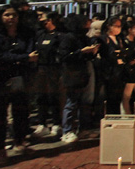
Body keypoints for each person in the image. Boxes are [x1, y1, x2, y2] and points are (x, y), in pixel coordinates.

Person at [0, 5, 38, 163]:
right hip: (0, 78)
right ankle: (0, 148)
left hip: (20, 77)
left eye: (13, 15)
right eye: (7, 15)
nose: (10, 18)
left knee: (21, 111)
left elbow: (32, 53)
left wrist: (21, 58)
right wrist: (23, 58)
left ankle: (20, 142)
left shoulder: (25, 35)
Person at [59, 14, 99, 143]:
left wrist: (92, 50)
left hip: (84, 72)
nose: (88, 25)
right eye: (86, 22)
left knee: (85, 102)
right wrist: (82, 52)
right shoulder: (68, 38)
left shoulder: (84, 37)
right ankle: (67, 131)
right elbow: (64, 56)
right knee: (71, 102)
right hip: (73, 74)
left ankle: (83, 129)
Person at [32, 11, 63, 137]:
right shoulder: (40, 34)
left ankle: (56, 123)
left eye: (44, 18)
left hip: (54, 69)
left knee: (53, 96)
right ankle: (42, 123)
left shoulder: (60, 35)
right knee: (41, 96)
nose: (42, 20)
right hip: (41, 69)